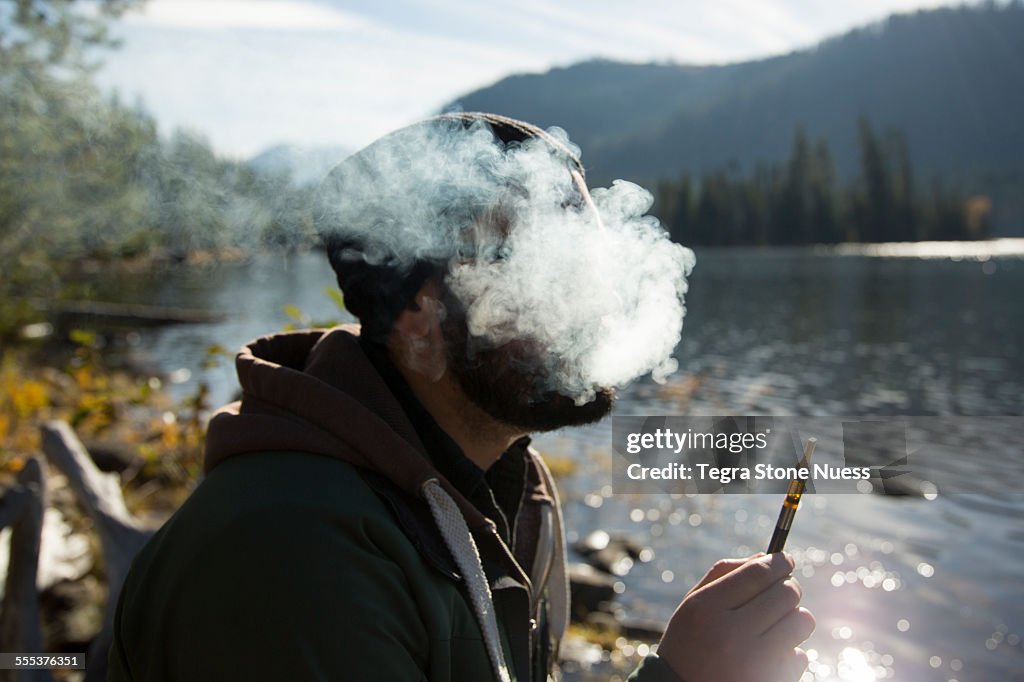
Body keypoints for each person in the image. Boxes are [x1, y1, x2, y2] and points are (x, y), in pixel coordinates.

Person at [108, 113, 814, 682]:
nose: (597, 300)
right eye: (550, 268)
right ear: (421, 323)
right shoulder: (288, 557)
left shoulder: (505, 484)